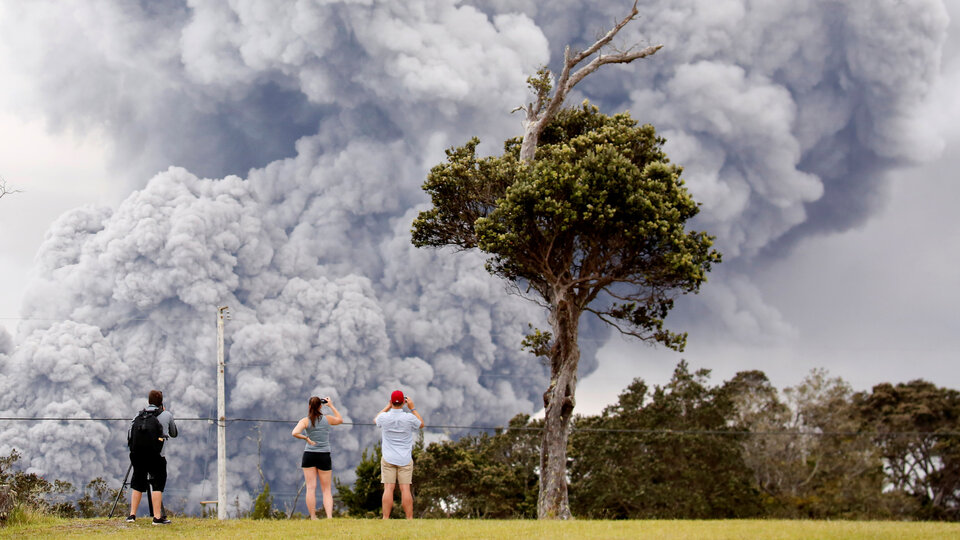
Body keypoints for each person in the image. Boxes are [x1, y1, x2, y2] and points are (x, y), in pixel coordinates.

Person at [126, 389, 177, 525]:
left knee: (137, 484)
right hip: (157, 456)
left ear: (148, 401)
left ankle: (131, 516)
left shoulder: (138, 415)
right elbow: (174, 433)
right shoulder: (166, 415)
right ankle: (157, 518)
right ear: (161, 402)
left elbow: (130, 434)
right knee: (157, 485)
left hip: (138, 456)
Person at [374, 390, 424, 519]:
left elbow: (376, 419)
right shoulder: (409, 418)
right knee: (405, 489)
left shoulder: (384, 418)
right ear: (403, 402)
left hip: (388, 458)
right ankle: (409, 518)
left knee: (388, 489)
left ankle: (385, 518)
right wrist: (412, 408)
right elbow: (421, 424)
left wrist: (387, 406)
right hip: (405, 459)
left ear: (391, 402)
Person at [292, 396, 343, 519]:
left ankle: (313, 517)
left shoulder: (305, 421)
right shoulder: (327, 419)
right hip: (324, 455)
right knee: (326, 489)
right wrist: (330, 405)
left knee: (310, 488)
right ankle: (329, 517)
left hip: (309, 454)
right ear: (321, 406)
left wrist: (306, 438)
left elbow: (294, 433)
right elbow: (340, 420)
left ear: (309, 406)